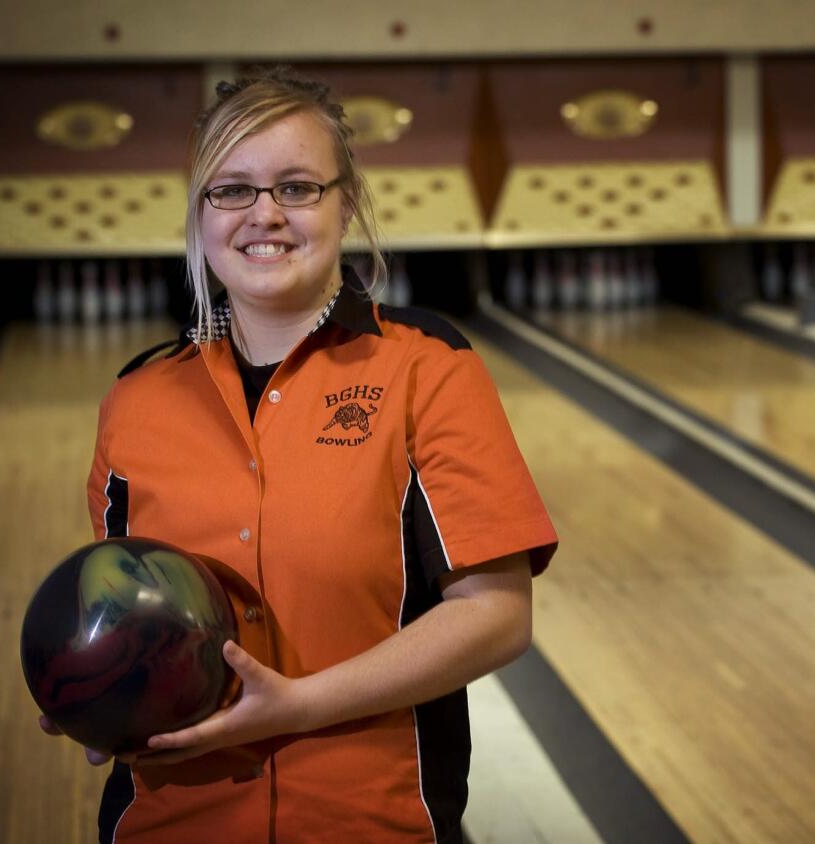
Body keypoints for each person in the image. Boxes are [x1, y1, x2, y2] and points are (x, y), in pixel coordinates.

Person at [40, 66, 557, 844]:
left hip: (372, 821)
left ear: (345, 202)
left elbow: (497, 614)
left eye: (297, 187)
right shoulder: (136, 400)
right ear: (202, 212)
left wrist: (301, 705)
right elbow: (124, 614)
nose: (265, 214)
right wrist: (101, 696)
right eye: (233, 190)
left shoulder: (429, 368)